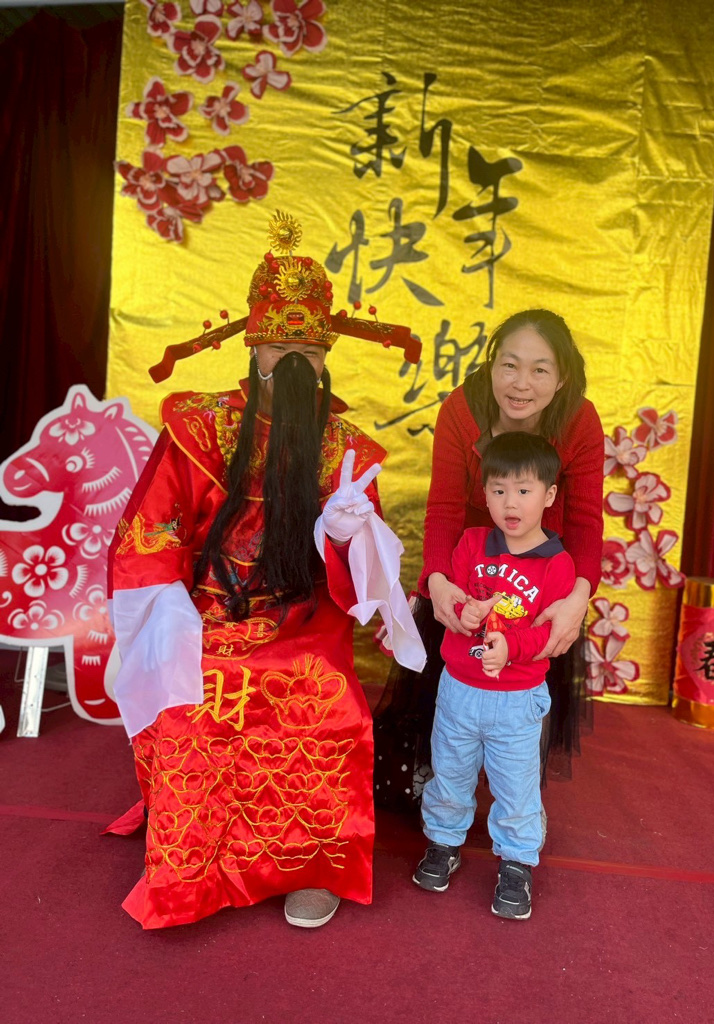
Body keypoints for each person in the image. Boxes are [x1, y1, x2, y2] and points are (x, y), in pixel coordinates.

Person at [107, 211, 425, 930]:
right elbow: (153, 527)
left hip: (301, 621)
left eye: (307, 351)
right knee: (195, 703)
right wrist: (170, 611)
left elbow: (361, 582)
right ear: (253, 349)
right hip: (204, 617)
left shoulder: (343, 449)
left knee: (321, 701)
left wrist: (347, 533)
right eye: (279, 349)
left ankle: (309, 865)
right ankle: (193, 864)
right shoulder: (202, 426)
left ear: (326, 356)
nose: (293, 365)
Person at [374, 309, 603, 809]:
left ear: (562, 378)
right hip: (468, 570)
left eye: (540, 370)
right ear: (492, 365)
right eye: (509, 365)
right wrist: (437, 580)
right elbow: (444, 507)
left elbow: (586, 521)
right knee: (443, 687)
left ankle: (517, 804)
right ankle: (437, 790)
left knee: (522, 694)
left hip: (539, 578)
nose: (521, 384)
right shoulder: (462, 410)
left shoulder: (579, 421)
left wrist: (577, 598)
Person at [412, 432, 575, 920]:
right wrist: (465, 612)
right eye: (499, 490)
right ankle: (444, 843)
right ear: (483, 493)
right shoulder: (471, 542)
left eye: (524, 491)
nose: (510, 503)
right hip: (459, 690)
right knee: (449, 773)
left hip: (516, 697)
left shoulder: (558, 565)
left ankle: (518, 861)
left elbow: (548, 634)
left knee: (516, 785)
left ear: (549, 494)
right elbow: (455, 598)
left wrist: (512, 647)